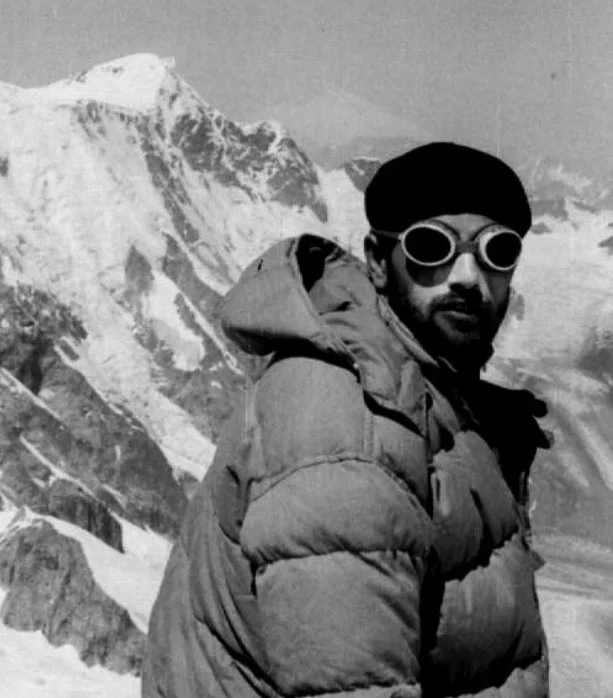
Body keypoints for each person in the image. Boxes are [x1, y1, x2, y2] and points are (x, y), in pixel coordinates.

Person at [143, 142, 550, 698]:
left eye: (496, 251)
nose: (466, 276)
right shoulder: (347, 428)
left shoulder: (429, 397)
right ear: (379, 263)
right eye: (431, 246)